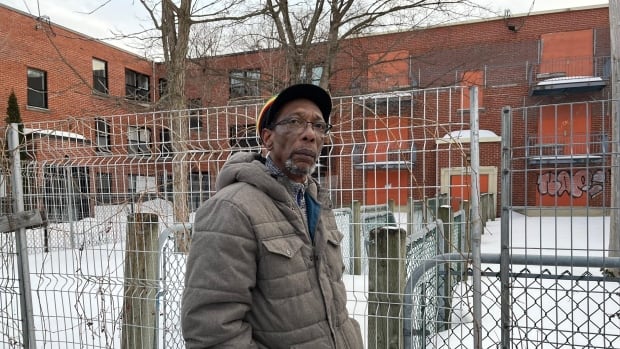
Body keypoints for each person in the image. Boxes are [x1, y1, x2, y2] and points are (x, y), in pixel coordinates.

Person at [181, 83, 364, 348]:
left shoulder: (317, 203)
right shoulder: (232, 209)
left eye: (319, 126)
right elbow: (213, 332)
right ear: (267, 138)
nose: (310, 134)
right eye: (295, 121)